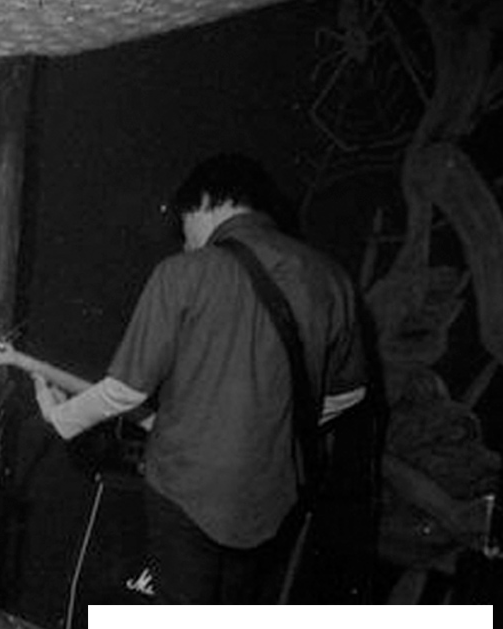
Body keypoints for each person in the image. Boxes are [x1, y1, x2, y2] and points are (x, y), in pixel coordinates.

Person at [29, 153, 368, 604]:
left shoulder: (184, 272)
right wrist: (277, 424)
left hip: (186, 493)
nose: (185, 238)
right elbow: (350, 392)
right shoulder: (330, 278)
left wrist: (61, 418)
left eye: (184, 220)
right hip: (274, 498)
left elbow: (125, 390)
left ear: (208, 200)